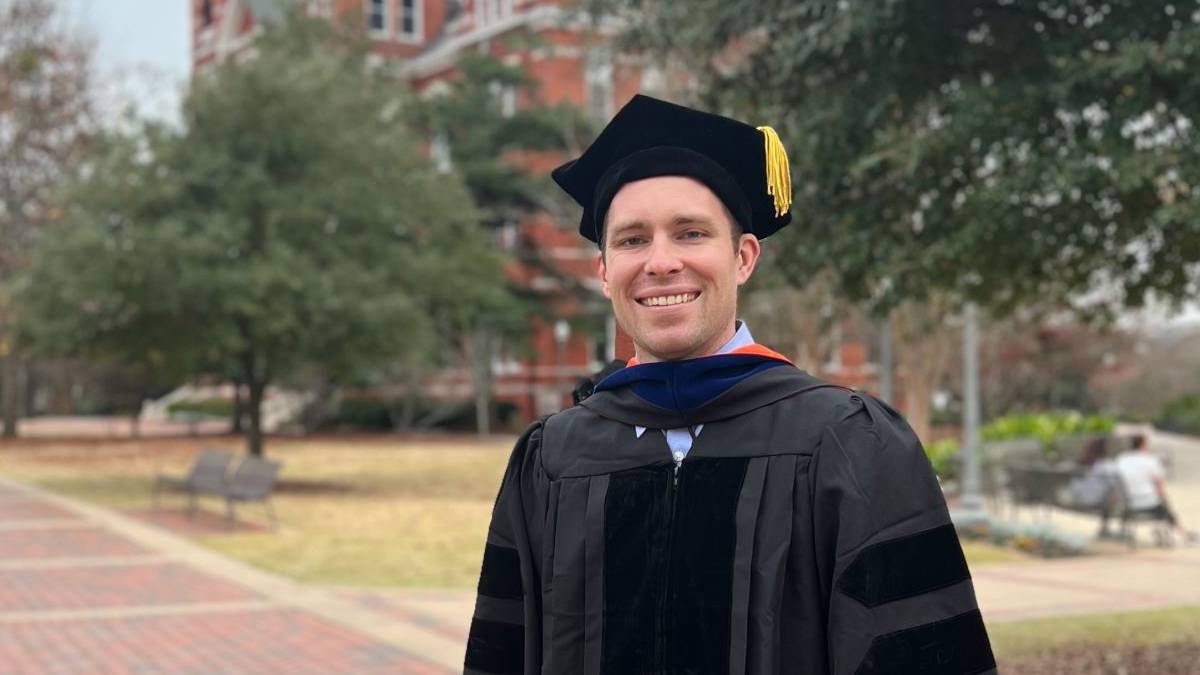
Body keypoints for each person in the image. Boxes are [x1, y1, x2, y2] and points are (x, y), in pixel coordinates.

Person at [464, 95, 995, 675]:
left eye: (690, 233)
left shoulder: (848, 444)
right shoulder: (551, 460)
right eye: (632, 239)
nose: (660, 262)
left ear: (743, 257)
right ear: (604, 271)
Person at [1114, 434, 1197, 543]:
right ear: (1143, 445)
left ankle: (1183, 532)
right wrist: (1163, 498)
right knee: (1164, 504)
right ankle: (1183, 533)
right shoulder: (1150, 461)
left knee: (1161, 502)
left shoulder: (1121, 459)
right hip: (1147, 503)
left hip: (1125, 503)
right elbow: (1159, 486)